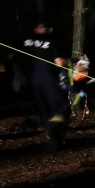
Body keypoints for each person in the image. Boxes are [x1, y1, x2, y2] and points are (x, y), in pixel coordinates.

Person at [22, 21, 69, 150]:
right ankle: (57, 136)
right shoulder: (51, 40)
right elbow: (59, 62)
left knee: (44, 111)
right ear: (50, 29)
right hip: (49, 80)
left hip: (34, 81)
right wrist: (71, 61)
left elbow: (13, 57)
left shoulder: (26, 41)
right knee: (59, 109)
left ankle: (51, 139)